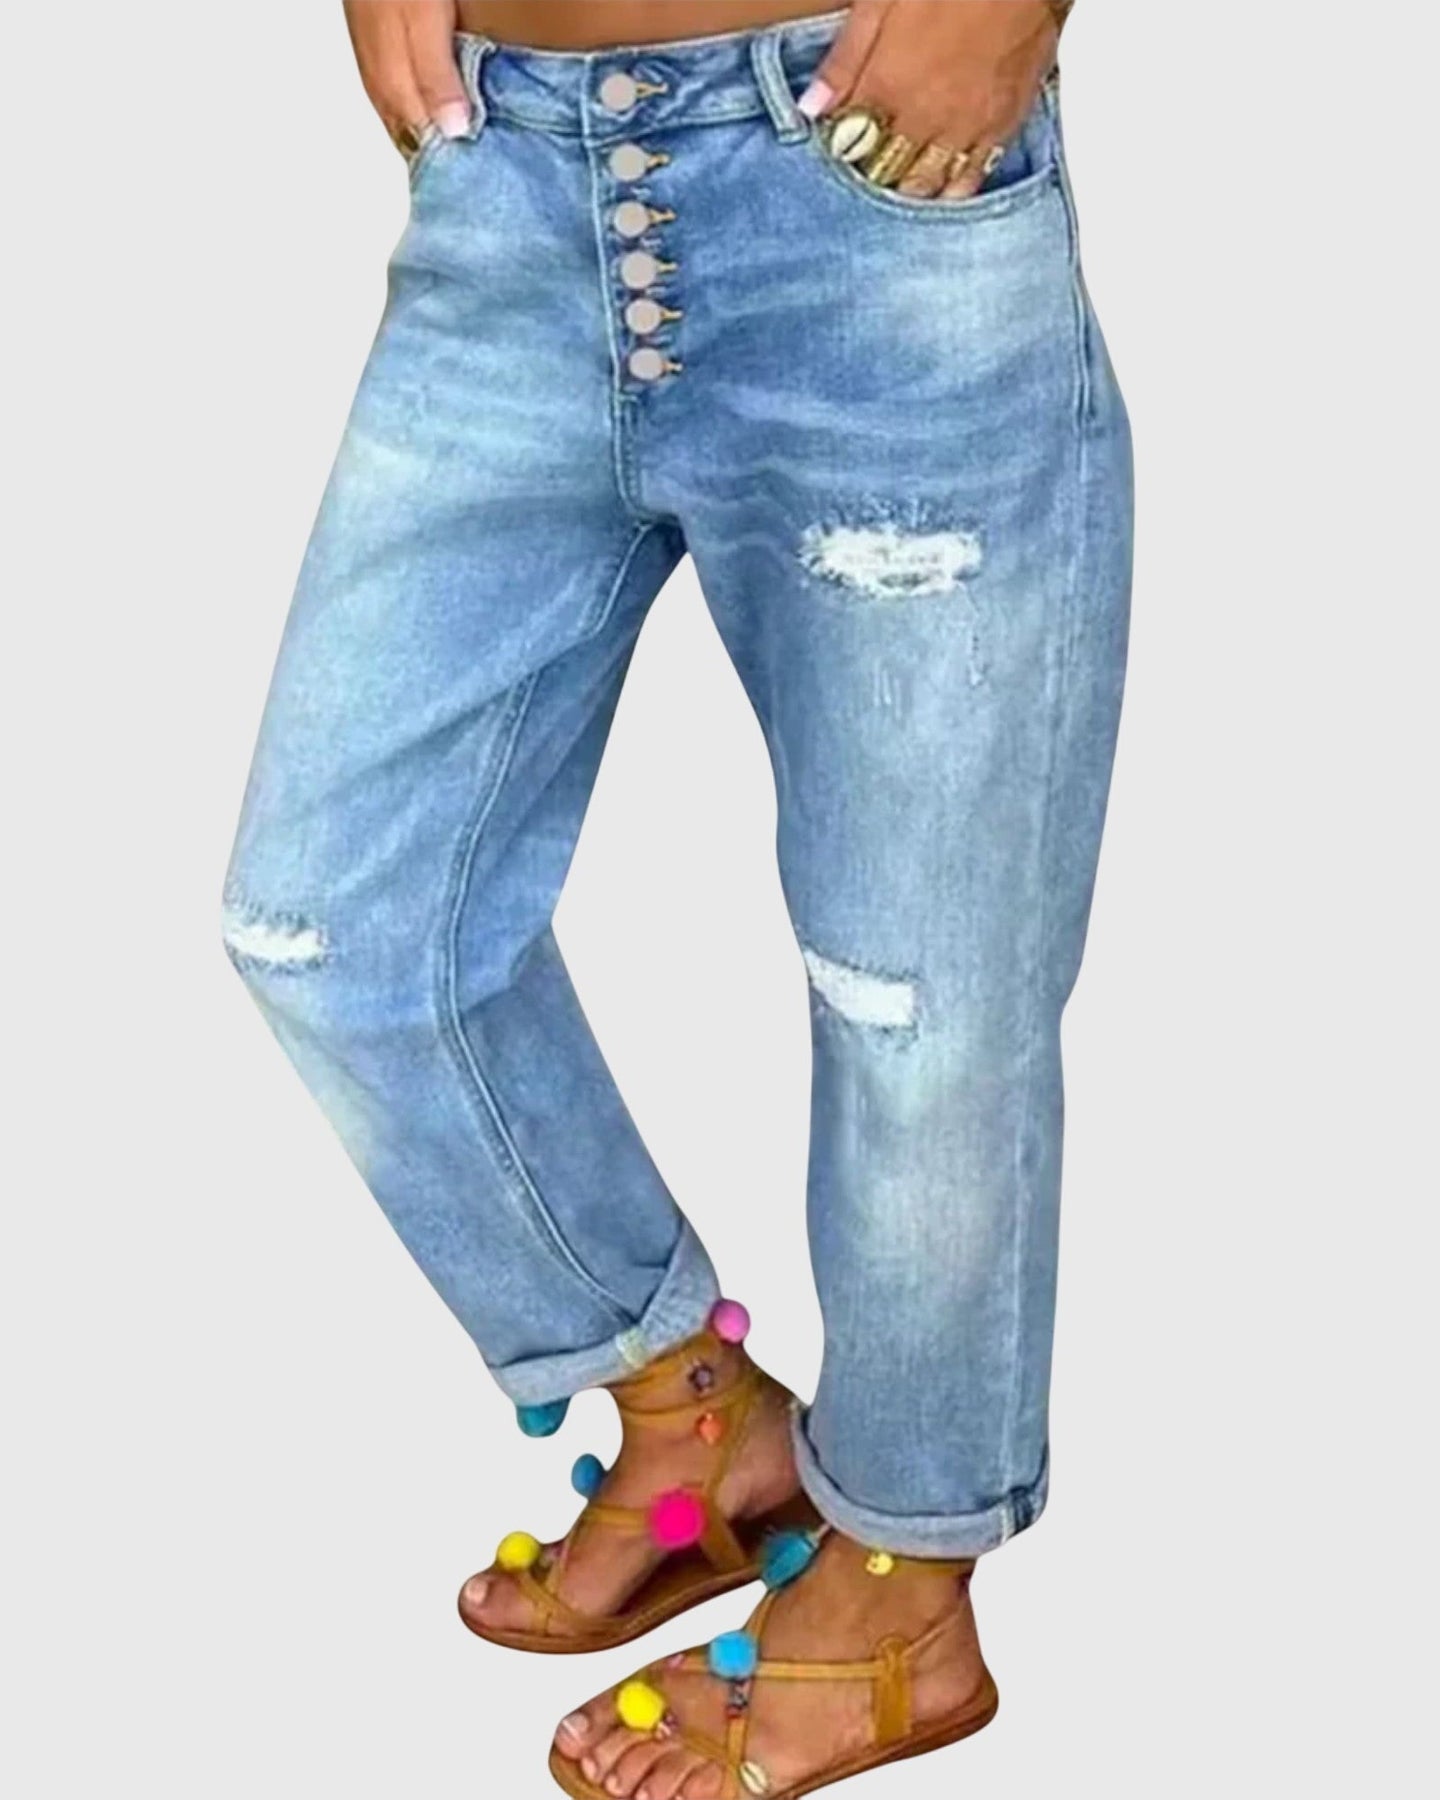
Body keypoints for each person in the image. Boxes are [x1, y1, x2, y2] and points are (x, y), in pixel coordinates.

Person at [223, 2, 1130, 1795]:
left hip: (864, 188)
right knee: (330, 926)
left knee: (915, 1001)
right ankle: (691, 1411)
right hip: (506, 196)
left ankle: (904, 1589)